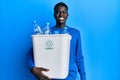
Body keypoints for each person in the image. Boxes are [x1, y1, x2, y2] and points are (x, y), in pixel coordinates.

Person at [26, 2, 86, 80]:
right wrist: (32, 69)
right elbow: (29, 54)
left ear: (67, 15)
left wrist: (83, 77)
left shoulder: (75, 33)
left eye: (64, 12)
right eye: (58, 12)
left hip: (69, 77)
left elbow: (79, 58)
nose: (61, 15)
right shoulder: (47, 33)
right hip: (50, 76)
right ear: (54, 15)